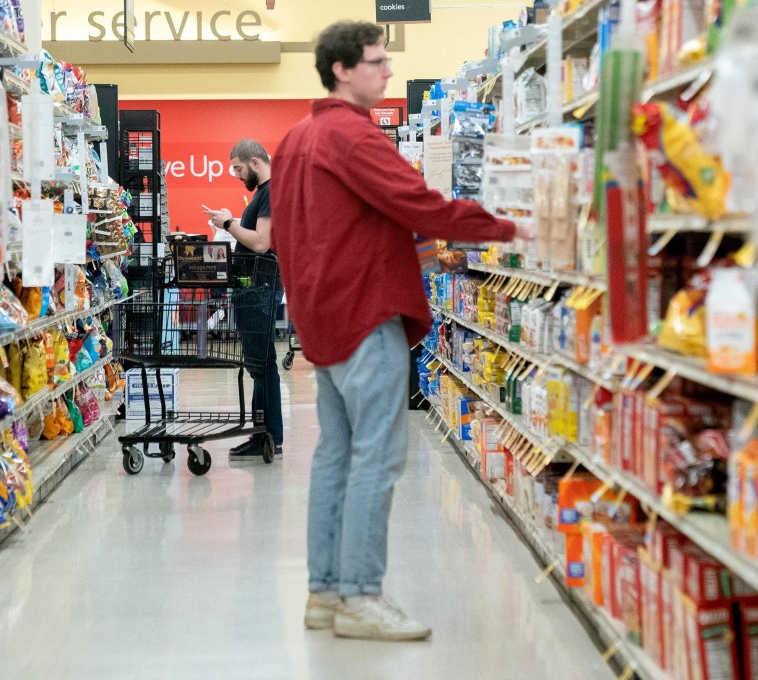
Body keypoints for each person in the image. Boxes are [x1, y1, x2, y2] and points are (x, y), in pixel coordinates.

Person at [271, 21, 527, 641]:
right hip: (365, 316)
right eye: (377, 61)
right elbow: (421, 204)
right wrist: (511, 227)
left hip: (323, 319)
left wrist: (401, 248)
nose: (387, 72)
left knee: (335, 455)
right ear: (341, 70)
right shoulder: (353, 136)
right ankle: (361, 595)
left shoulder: (296, 141)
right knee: (377, 458)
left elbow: (318, 231)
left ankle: (325, 594)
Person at [205, 139, 285, 460]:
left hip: (260, 289)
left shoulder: (270, 192)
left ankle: (267, 435)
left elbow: (262, 242)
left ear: (254, 162)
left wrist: (228, 223)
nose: (237, 175)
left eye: (238, 168)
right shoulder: (263, 194)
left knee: (261, 364)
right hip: (255, 288)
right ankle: (264, 433)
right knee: (259, 364)